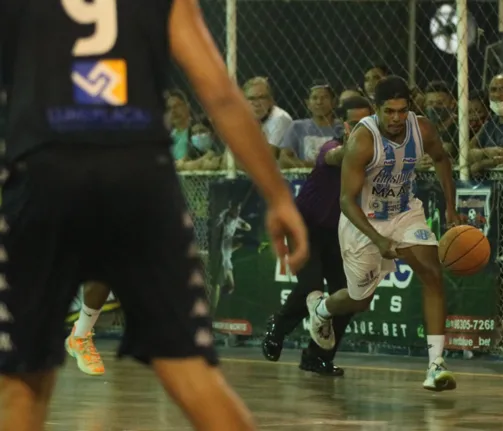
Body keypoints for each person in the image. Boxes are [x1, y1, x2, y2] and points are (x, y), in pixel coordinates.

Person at [0, 1, 309, 430]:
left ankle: (79, 335)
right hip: (137, 175)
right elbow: (219, 91)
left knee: (22, 386)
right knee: (192, 373)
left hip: (43, 172)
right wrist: (278, 196)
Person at [304, 76, 459, 391]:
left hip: (404, 211)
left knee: (432, 273)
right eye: (389, 112)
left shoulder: (423, 129)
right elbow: (346, 200)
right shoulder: (364, 140)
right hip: (364, 220)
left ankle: (435, 365)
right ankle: (321, 309)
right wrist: (377, 239)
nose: (396, 118)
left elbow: (442, 159)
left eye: (402, 111)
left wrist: (450, 208)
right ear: (376, 110)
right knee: (360, 300)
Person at [262, 96, 374, 376]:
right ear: (344, 126)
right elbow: (340, 155)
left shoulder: (378, 155)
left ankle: (317, 356)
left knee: (347, 298)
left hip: (339, 233)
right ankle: (278, 326)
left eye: (366, 122)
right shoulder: (332, 147)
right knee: (311, 287)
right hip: (306, 226)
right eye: (354, 123)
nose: (361, 127)